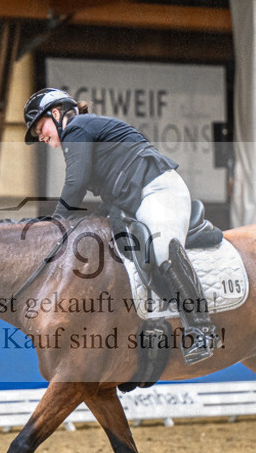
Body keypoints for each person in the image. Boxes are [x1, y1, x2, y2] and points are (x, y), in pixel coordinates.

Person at [23, 88, 216, 364]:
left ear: (56, 114)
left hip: (157, 190)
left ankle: (202, 330)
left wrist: (55, 225)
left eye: (39, 126)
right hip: (133, 202)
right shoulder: (83, 133)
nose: (40, 136)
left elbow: (75, 184)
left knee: (162, 252)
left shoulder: (77, 128)